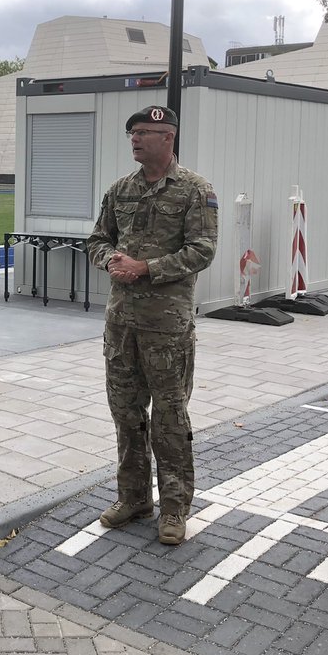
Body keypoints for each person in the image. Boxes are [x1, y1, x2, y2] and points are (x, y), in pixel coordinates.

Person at [85, 105, 218, 545]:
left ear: (169, 137)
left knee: (169, 418)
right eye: (132, 133)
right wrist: (111, 261)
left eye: (144, 132)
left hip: (167, 327)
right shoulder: (120, 189)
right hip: (121, 323)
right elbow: (97, 239)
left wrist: (147, 267)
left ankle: (175, 508)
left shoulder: (195, 190)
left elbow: (202, 250)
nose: (135, 140)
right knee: (126, 414)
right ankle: (134, 497)